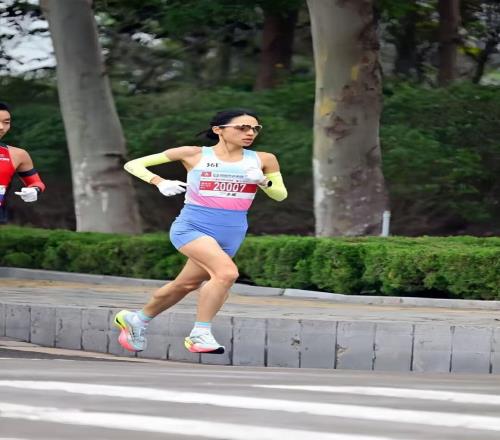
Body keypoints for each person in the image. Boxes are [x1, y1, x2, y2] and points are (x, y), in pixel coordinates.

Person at [114, 108, 287, 354]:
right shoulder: (193, 153)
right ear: (218, 130)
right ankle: (200, 334)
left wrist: (262, 182)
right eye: (242, 127)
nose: (250, 133)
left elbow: (280, 195)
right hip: (192, 227)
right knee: (226, 274)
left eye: (255, 128)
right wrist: (160, 182)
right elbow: (133, 164)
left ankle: (136, 320)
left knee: (185, 285)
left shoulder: (264, 159)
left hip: (232, 232)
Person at [0, 102, 46, 222]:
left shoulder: (17, 155)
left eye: (6, 122)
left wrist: (34, 190)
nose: (1, 127)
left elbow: (36, 182)